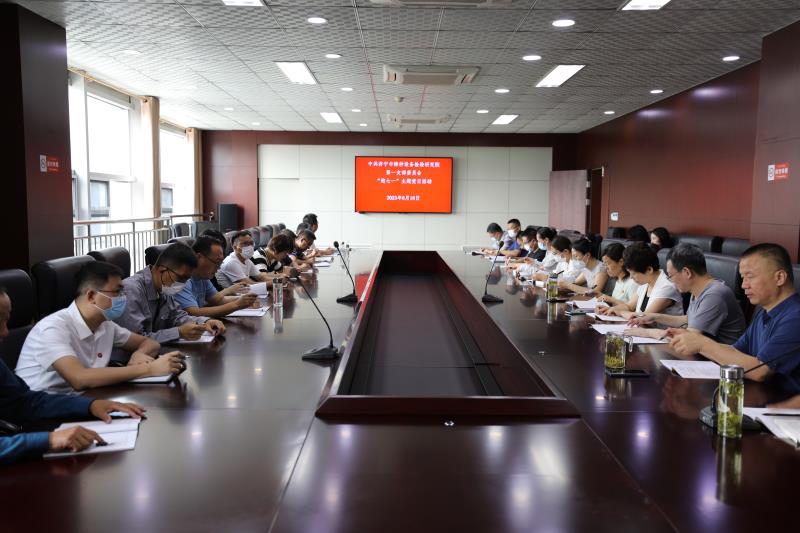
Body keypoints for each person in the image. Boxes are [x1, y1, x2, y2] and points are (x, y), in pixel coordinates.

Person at [1, 287, 147, 464]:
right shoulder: (52, 327)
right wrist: (48, 440)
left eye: (6, 321)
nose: (5, 332)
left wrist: (90, 405)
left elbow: (25, 401)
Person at [15, 263, 186, 394]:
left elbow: (150, 343)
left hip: (83, 399)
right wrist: (148, 369)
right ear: (91, 296)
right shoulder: (52, 328)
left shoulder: (104, 324)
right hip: (41, 412)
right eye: (117, 292)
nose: (123, 298)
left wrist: (139, 354)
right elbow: (79, 379)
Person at [670, 243, 800, 383]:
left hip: (780, 397)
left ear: (779, 278)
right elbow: (736, 351)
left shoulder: (795, 317)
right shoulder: (765, 312)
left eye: (750, 276)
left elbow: (760, 371)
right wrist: (692, 340)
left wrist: (703, 345)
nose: (744, 285)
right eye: (743, 278)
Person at [624, 243, 746, 343]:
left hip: (720, 362)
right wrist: (654, 317)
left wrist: (648, 332)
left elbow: (689, 339)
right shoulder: (697, 290)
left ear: (687, 272)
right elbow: (689, 320)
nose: (670, 281)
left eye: (670, 276)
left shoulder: (714, 295)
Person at [117, 243, 225, 343]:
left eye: (186, 280)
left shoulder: (162, 288)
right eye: (180, 278)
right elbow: (136, 340)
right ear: (162, 270)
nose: (182, 284)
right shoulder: (130, 290)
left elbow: (178, 317)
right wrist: (179, 332)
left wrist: (205, 322)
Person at [175, 236, 259, 318]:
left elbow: (218, 300)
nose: (218, 268)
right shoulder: (182, 279)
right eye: (216, 262)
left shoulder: (203, 277)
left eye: (220, 263)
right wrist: (236, 304)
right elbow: (194, 313)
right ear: (198, 257)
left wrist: (246, 299)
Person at [599, 242, 683, 316]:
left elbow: (643, 317)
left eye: (634, 273)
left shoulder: (667, 287)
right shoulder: (645, 282)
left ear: (649, 270)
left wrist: (619, 312)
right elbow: (629, 306)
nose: (631, 277)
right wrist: (610, 309)